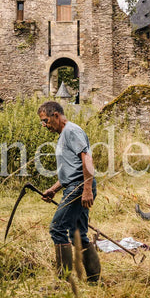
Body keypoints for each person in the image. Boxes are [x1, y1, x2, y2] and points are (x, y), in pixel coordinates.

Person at [38, 101, 101, 283]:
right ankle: (94, 279)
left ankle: (63, 281)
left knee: (57, 228)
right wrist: (54, 189)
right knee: (78, 233)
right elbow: (72, 169)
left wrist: (87, 189)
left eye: (46, 120)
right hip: (76, 185)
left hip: (79, 187)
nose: (45, 125)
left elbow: (87, 160)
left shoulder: (71, 131)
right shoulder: (64, 135)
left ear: (56, 115)